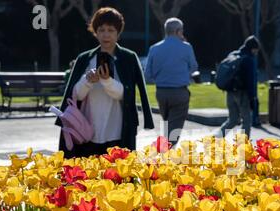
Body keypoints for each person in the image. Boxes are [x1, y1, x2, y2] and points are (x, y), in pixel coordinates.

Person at [56, 7, 154, 158]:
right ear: (96, 32)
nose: (106, 35)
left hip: (117, 133)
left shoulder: (128, 58)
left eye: (111, 30)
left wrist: (107, 81)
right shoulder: (85, 58)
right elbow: (76, 96)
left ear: (118, 33)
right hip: (86, 133)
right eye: (101, 30)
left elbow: (126, 94)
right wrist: (88, 81)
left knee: (118, 178)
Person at [144, 17, 198, 147]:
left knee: (168, 124)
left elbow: (147, 75)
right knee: (174, 131)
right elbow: (194, 68)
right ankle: (165, 154)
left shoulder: (154, 48)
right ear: (179, 31)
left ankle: (164, 151)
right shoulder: (186, 47)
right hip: (180, 92)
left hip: (161, 92)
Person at [218, 35, 260, 138]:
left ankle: (216, 138)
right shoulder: (249, 59)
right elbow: (251, 81)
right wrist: (253, 98)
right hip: (242, 94)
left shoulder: (233, 54)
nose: (256, 52)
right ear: (253, 48)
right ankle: (244, 148)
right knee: (246, 121)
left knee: (232, 119)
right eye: (256, 50)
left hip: (230, 92)